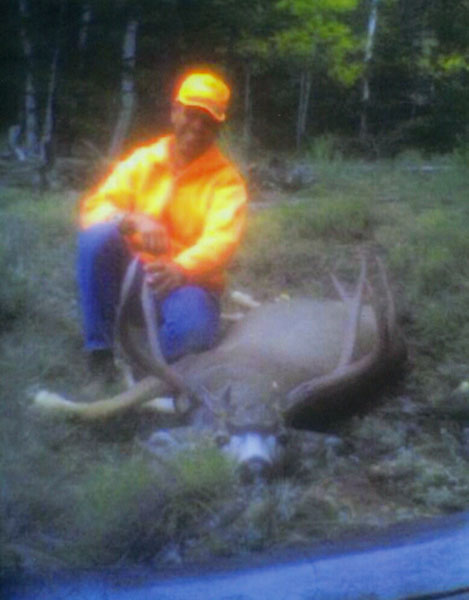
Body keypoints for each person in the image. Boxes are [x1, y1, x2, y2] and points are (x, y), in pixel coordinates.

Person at [77, 71, 247, 378]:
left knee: (192, 335)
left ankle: (145, 360)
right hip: (132, 275)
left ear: (218, 128)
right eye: (192, 114)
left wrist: (181, 268)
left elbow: (222, 240)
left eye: (208, 121)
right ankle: (100, 354)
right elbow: (94, 208)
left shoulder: (226, 181)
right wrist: (131, 220)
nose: (197, 126)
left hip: (189, 284)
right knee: (96, 238)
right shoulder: (143, 161)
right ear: (175, 112)